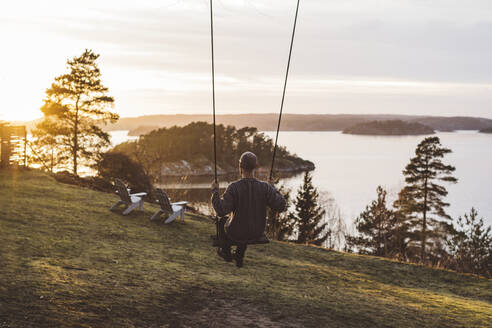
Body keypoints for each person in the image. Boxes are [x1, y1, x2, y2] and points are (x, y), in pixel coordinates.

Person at [211, 151, 286, 267]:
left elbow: (221, 210)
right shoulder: (265, 187)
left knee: (222, 221)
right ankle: (239, 257)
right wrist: (273, 187)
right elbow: (281, 205)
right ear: (255, 167)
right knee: (245, 220)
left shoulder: (234, 187)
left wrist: (215, 191)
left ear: (240, 166)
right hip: (257, 232)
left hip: (236, 233)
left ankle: (226, 253)